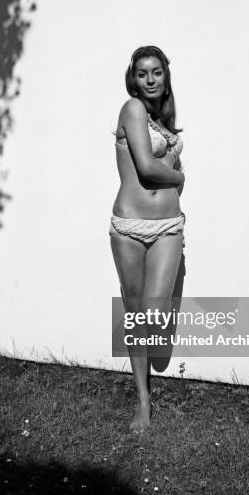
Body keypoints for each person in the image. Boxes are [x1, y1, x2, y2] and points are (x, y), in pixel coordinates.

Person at [109, 45, 185, 430]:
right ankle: (143, 401)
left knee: (152, 313)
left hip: (168, 226)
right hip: (130, 227)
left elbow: (159, 163)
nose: (150, 80)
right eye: (143, 73)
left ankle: (145, 395)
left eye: (157, 72)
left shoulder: (164, 119)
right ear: (133, 79)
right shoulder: (133, 109)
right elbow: (146, 167)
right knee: (137, 312)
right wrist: (179, 177)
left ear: (165, 76)